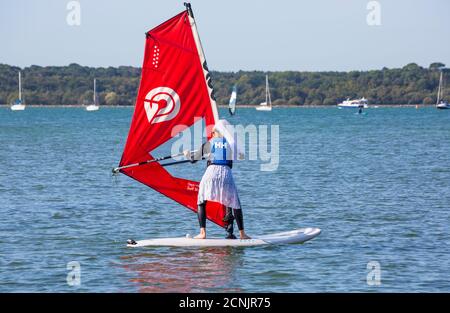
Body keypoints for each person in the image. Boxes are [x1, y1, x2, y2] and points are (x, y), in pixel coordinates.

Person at [184, 120, 250, 240]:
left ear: (215, 133)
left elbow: (193, 160)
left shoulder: (209, 143)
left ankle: (203, 233)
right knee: (235, 204)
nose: (211, 134)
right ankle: (242, 234)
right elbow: (240, 155)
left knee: (201, 201)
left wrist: (187, 154)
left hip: (211, 173)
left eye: (212, 132)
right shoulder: (231, 144)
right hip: (226, 174)